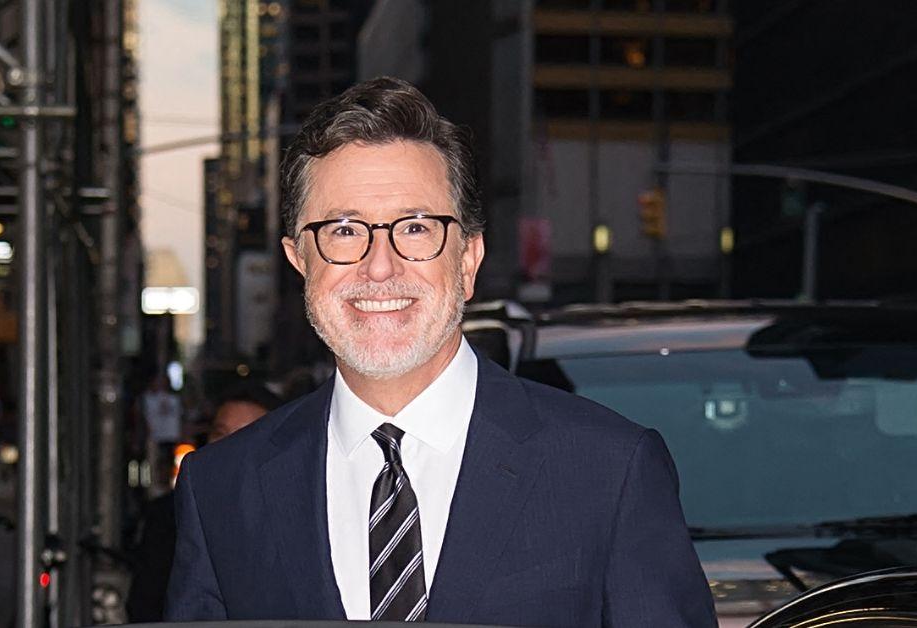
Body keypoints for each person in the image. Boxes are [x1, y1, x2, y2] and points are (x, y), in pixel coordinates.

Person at [166, 77, 715, 626]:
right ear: (299, 260)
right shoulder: (220, 489)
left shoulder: (610, 470)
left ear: (469, 260)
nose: (379, 266)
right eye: (344, 231)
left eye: (416, 228)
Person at [126, 384, 282, 623]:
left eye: (246, 435)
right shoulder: (169, 515)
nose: (231, 447)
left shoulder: (291, 513)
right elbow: (146, 605)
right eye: (221, 434)